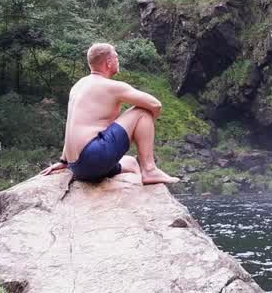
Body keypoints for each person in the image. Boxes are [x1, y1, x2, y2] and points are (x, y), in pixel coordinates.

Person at [40, 42, 180, 185]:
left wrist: (63, 161)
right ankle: (149, 170)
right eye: (116, 57)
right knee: (143, 111)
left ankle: (139, 183)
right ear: (108, 62)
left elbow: (72, 126)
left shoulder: (78, 85)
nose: (118, 60)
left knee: (131, 162)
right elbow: (156, 104)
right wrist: (143, 126)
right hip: (93, 157)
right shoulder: (112, 86)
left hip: (77, 167)